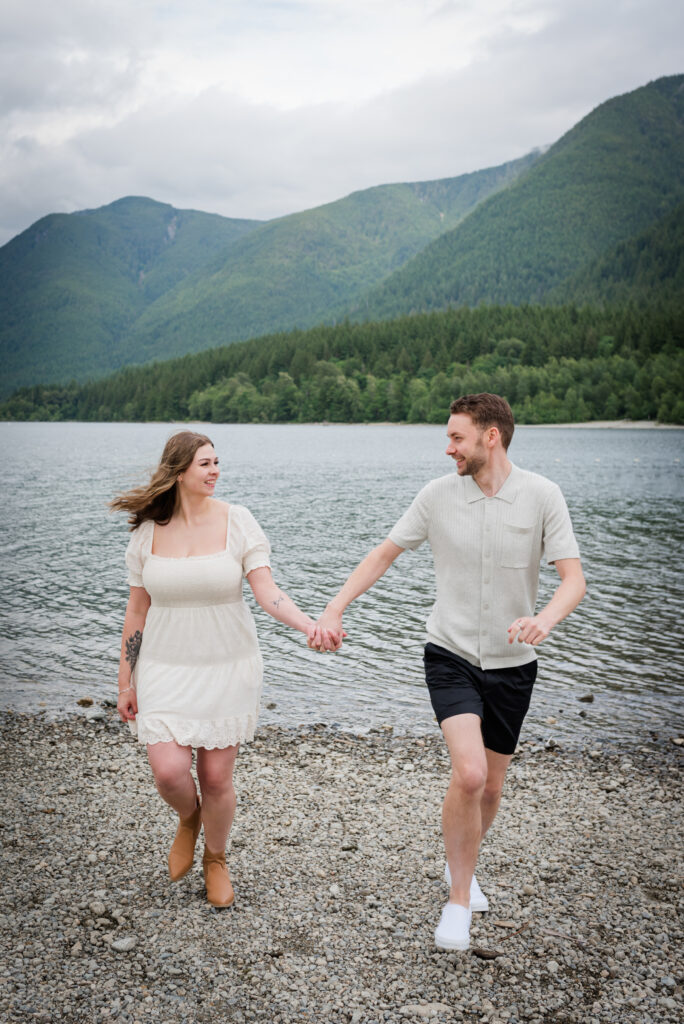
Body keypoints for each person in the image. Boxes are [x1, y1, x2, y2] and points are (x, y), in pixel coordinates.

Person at [311, 394, 586, 951]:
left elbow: (573, 580)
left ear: (492, 436)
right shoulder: (437, 496)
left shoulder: (542, 496)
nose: (448, 447)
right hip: (451, 654)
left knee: (492, 785)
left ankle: (462, 858)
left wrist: (545, 619)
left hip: (514, 665)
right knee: (469, 775)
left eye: (457, 437)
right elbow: (383, 555)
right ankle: (459, 900)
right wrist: (335, 608)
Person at [112, 430, 323, 908]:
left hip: (227, 664)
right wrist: (125, 680)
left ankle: (216, 857)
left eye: (216, 462)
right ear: (179, 470)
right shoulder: (147, 533)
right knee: (169, 773)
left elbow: (267, 592)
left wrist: (308, 625)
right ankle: (189, 817)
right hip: (163, 666)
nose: (215, 472)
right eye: (205, 464)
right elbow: (136, 612)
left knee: (216, 778)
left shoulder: (238, 521)